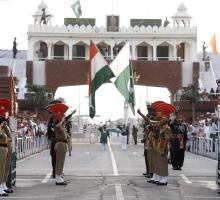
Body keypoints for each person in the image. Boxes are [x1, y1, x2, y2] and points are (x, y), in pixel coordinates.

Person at [54, 118, 68, 185]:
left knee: (61, 162)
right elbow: (58, 126)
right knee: (59, 162)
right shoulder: (58, 127)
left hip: (63, 144)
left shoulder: (61, 126)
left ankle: (59, 177)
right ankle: (58, 178)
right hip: (60, 145)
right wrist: (61, 120)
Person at [0, 119, 9, 197]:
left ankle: (2, 184)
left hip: (4, 148)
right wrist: (2, 126)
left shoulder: (4, 127)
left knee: (3, 168)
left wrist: (4, 126)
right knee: (1, 169)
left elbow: (8, 136)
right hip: (1, 148)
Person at [47, 114, 57, 178]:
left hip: (56, 142)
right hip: (53, 142)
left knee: (56, 158)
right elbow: (50, 134)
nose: (55, 120)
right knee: (53, 158)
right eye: (54, 119)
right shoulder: (50, 126)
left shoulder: (56, 125)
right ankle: (54, 172)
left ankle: (56, 171)